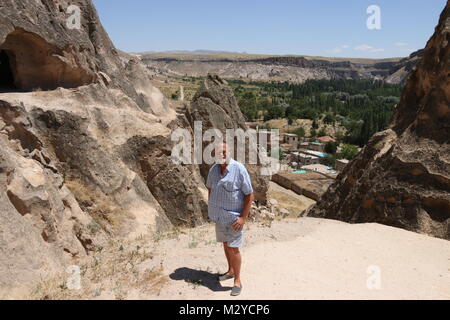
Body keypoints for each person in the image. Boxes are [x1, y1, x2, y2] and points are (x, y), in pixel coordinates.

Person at [206, 143, 254, 296]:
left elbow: (249, 194)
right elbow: (210, 189)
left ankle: (237, 281)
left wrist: (243, 218)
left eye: (224, 151)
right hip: (219, 217)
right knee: (226, 245)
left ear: (230, 153)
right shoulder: (213, 170)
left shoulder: (239, 169)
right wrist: (212, 208)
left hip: (234, 219)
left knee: (234, 248)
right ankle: (230, 271)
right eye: (217, 152)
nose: (221, 154)